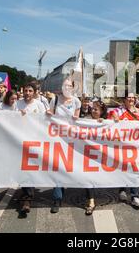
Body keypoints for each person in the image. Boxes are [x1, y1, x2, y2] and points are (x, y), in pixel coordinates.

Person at [46, 78, 81, 213]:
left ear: (72, 88)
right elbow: (49, 115)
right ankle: (57, 197)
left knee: (68, 165)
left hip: (71, 139)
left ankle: (65, 186)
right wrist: (48, 114)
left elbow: (77, 119)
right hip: (56, 138)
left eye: (69, 85)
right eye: (65, 85)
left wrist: (76, 119)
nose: (67, 87)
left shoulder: (76, 101)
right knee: (57, 166)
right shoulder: (54, 100)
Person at [16, 83, 50, 214]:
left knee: (29, 167)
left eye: (30, 91)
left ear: (35, 92)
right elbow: (7, 117)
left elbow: (44, 121)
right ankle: (26, 193)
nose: (27, 93)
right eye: (25, 90)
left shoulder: (39, 104)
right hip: (18, 139)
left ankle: (27, 198)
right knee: (21, 167)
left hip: (34, 140)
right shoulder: (17, 104)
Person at [108, 90, 139, 208]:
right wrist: (115, 119)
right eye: (129, 98)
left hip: (136, 145)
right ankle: (122, 189)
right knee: (123, 167)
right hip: (123, 145)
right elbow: (112, 121)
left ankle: (135, 196)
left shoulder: (138, 111)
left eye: (133, 98)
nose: (131, 100)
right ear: (124, 99)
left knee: (135, 169)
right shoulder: (118, 111)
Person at [82, 98, 107, 215]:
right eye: (92, 109)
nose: (93, 111)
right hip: (88, 154)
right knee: (88, 177)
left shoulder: (106, 122)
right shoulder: (86, 120)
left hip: (102, 155)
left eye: (96, 110)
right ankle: (91, 201)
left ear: (101, 111)